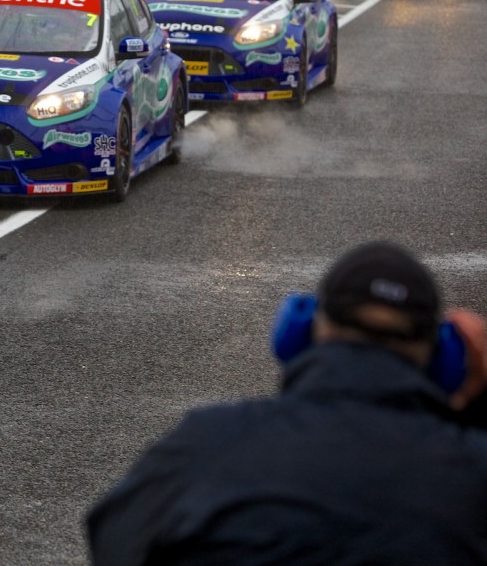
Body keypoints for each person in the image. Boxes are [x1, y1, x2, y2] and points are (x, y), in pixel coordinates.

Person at [86, 241, 487, 566]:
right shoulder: (472, 471)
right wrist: (476, 410)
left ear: (301, 331)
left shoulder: (206, 443)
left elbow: (114, 538)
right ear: (444, 359)